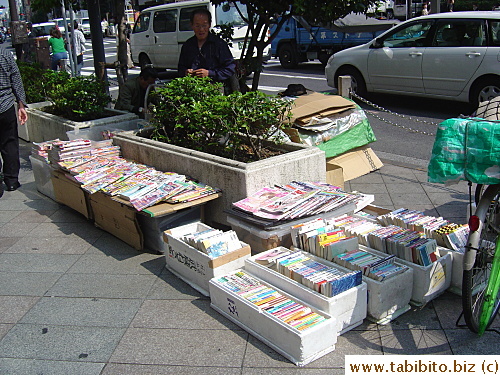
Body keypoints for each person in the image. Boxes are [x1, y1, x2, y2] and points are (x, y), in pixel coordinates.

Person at [177, 8, 237, 93]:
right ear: (192, 25)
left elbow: (230, 69)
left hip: (214, 90)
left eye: (204, 25)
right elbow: (180, 68)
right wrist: (186, 72)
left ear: (209, 25)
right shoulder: (188, 45)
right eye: (197, 25)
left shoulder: (219, 44)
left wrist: (209, 73)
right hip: (192, 89)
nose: (201, 29)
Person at [0, 46, 28, 197]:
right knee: (9, 143)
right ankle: (11, 181)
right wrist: (21, 104)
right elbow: (16, 79)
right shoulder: (5, 54)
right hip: (5, 105)